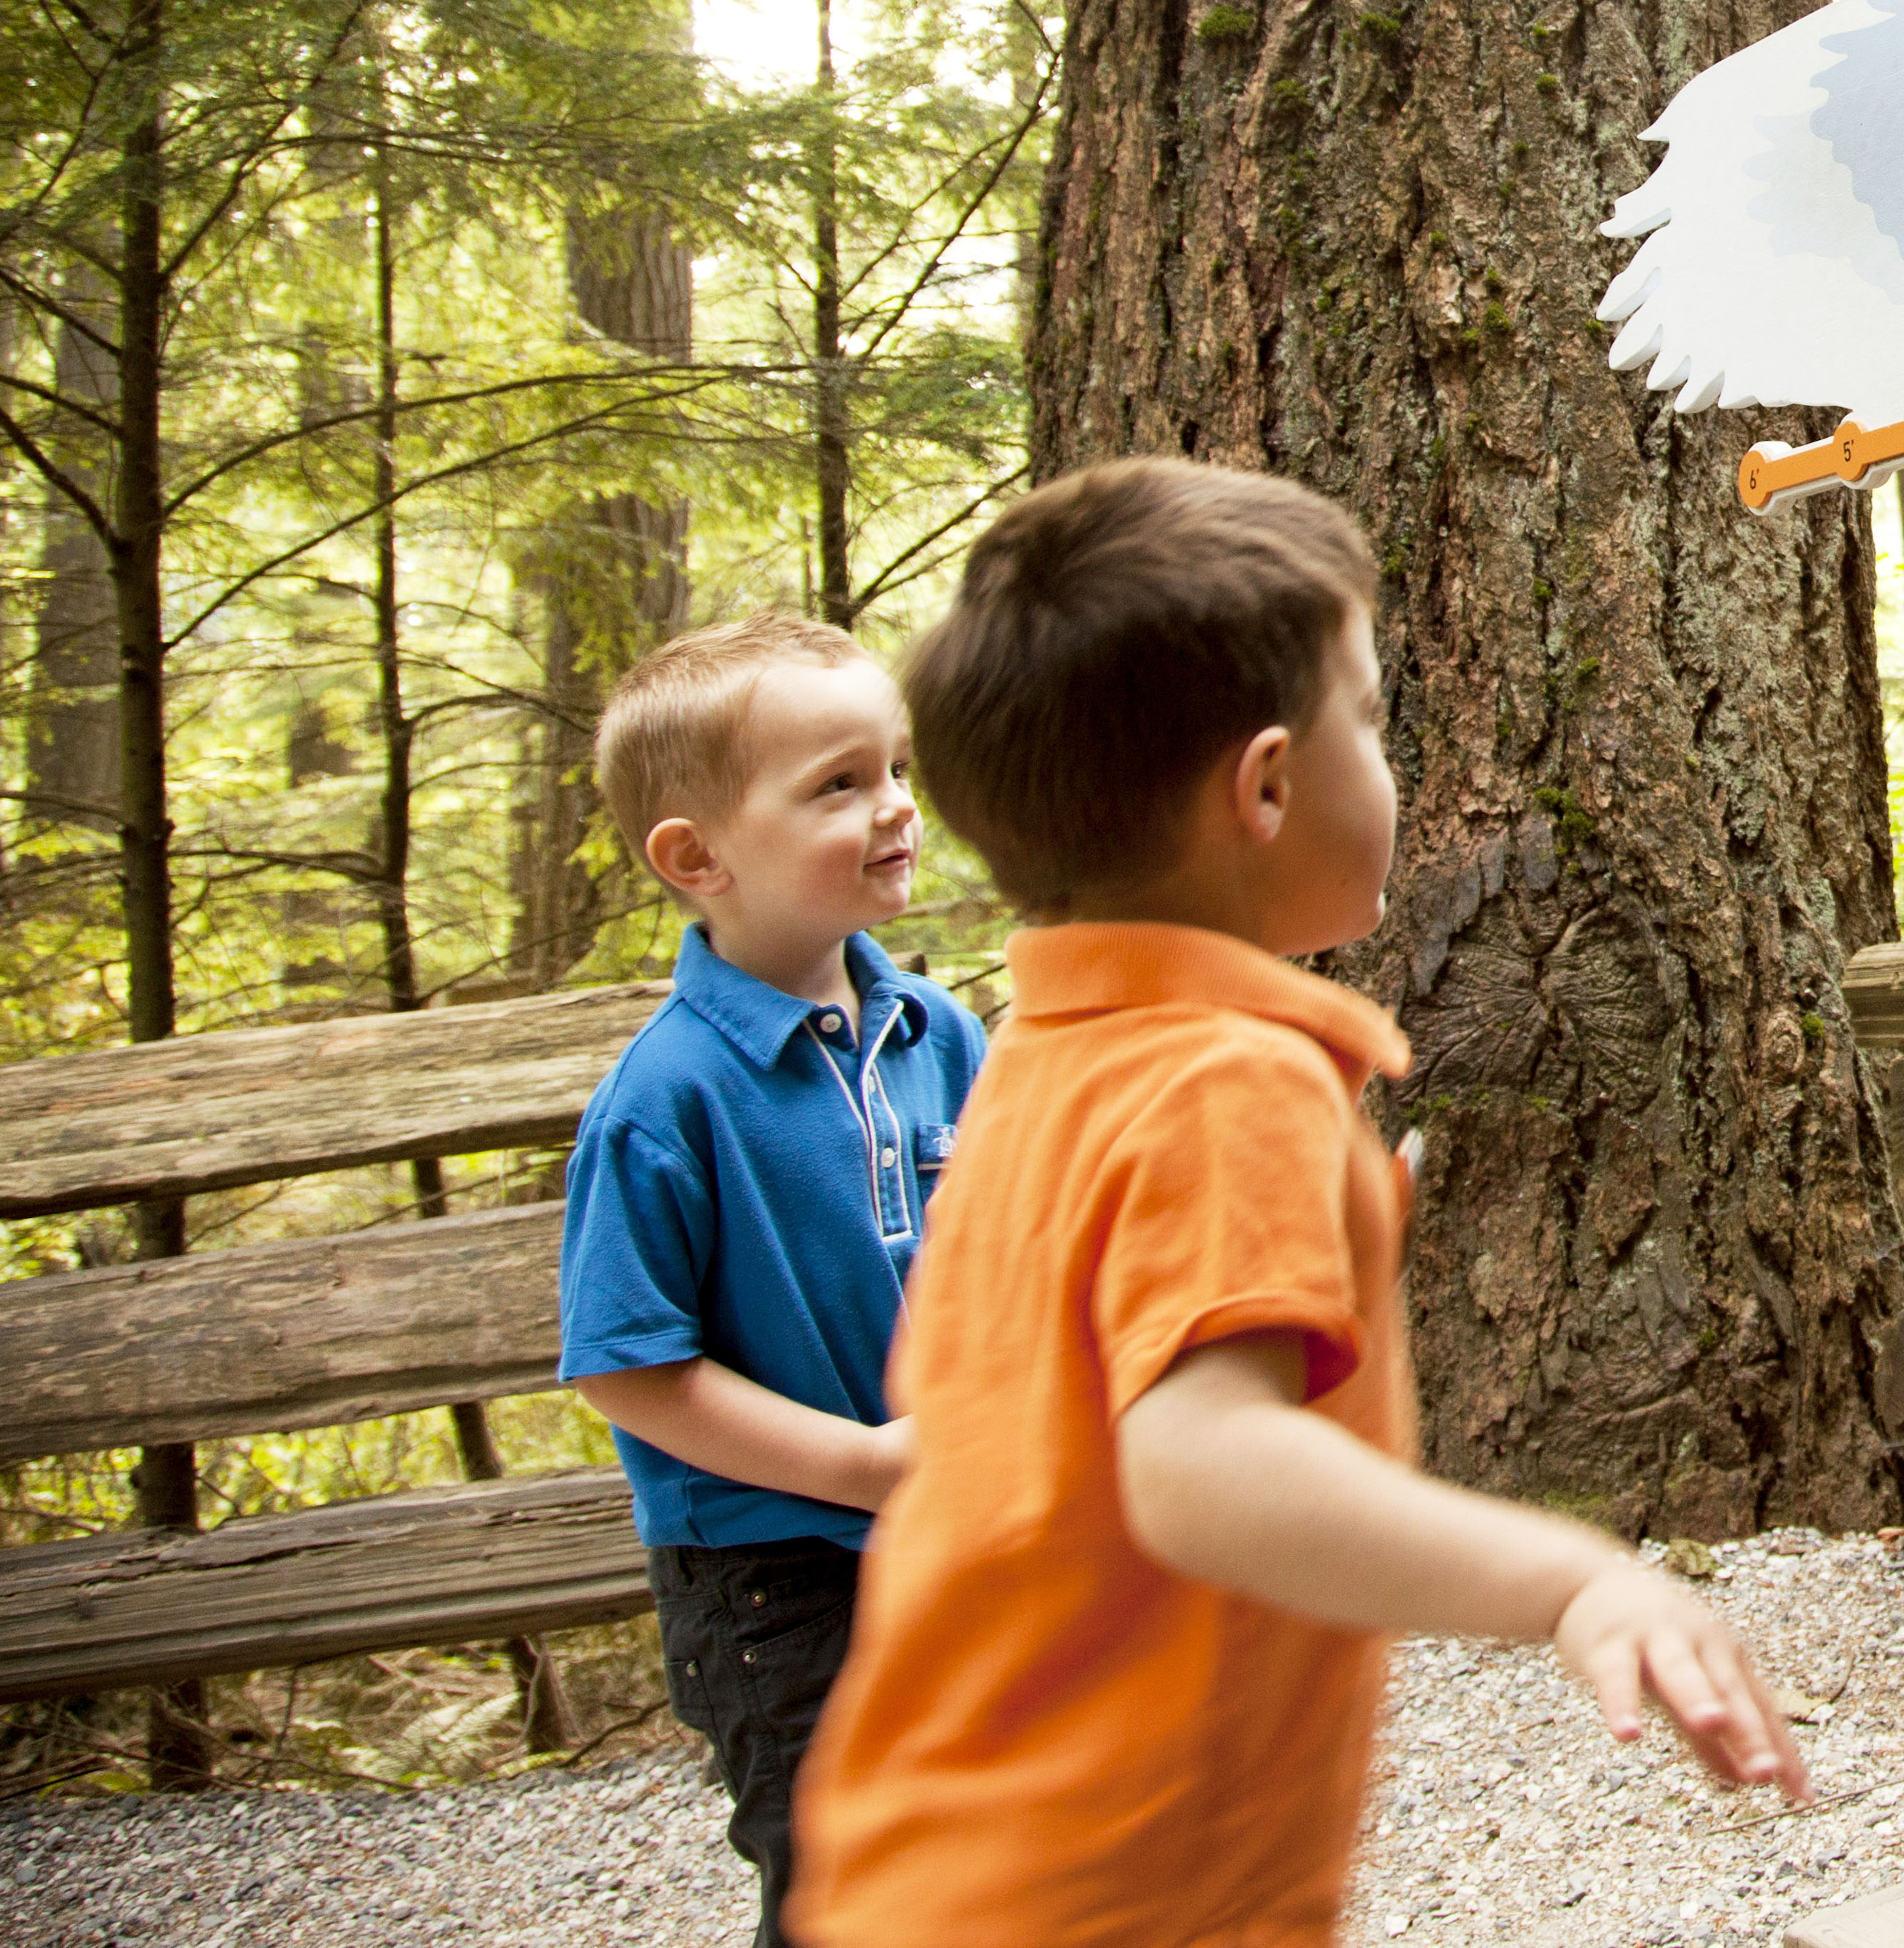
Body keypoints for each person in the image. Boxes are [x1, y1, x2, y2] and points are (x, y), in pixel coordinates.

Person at [787, 458, 1804, 1948]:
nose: (1386, 760)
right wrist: (1575, 1575)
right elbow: (1197, 1465)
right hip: (1117, 1893)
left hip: (934, 1861)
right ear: (1266, 784)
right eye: (1373, 720)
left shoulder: (1045, 1056)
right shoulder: (1225, 1079)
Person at [557, 610, 980, 1948]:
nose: (897, 808)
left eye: (897, 768)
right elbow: (631, 1370)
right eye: (839, 785)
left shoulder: (937, 1030)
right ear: (697, 858)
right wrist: (865, 1469)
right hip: (775, 1579)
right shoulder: (666, 1099)